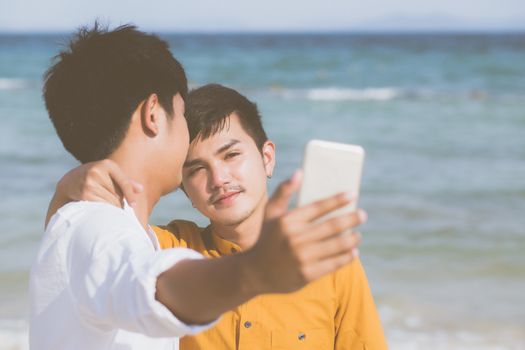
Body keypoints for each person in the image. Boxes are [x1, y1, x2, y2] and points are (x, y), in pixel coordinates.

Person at [30, 24, 366, 350]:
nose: (218, 178)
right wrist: (255, 271)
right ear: (153, 114)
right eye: (179, 112)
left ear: (267, 157)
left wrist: (65, 191)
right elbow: (152, 288)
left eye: (231, 155)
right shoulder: (103, 228)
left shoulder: (110, 229)